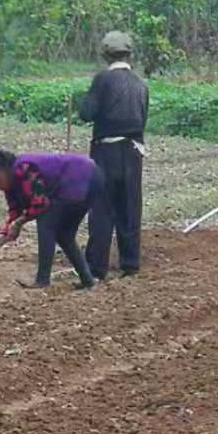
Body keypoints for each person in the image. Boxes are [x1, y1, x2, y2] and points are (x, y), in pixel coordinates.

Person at [80, 30, 148, 280]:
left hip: (106, 151)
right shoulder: (140, 84)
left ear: (106, 55)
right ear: (129, 55)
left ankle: (97, 267)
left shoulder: (103, 80)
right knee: (129, 207)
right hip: (133, 151)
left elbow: (87, 113)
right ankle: (130, 263)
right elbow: (143, 119)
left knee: (102, 208)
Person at [0, 149, 99, 291]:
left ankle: (42, 280)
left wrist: (18, 223)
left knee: (46, 221)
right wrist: (1, 239)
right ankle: (88, 280)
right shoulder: (11, 183)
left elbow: (41, 204)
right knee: (64, 236)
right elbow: (14, 212)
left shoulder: (24, 168)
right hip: (88, 178)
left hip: (83, 177)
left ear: (5, 169)